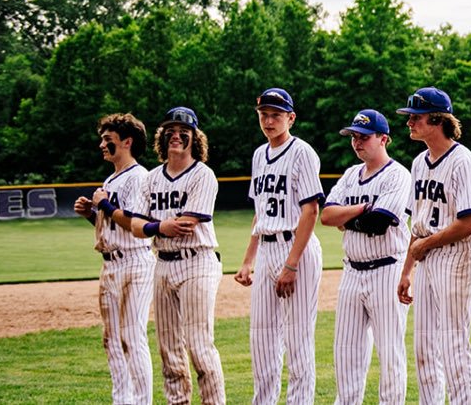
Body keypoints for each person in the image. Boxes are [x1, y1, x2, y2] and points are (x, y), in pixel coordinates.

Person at [124, 106, 224, 405]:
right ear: (162, 137)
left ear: (195, 138)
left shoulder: (202, 175)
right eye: (170, 131)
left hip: (197, 262)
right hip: (163, 264)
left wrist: (153, 226)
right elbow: (135, 225)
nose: (176, 136)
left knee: (199, 346)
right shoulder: (151, 178)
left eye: (183, 132)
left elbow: (186, 224)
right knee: (168, 349)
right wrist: (159, 226)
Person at [394, 87, 471, 405]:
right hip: (426, 256)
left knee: (453, 344)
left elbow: (469, 223)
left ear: (437, 120)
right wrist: (406, 271)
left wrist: (426, 245)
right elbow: (417, 223)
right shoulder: (419, 162)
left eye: (415, 117)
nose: (409, 122)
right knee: (424, 347)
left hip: (454, 256)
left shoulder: (463, 162)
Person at [234, 88, 325, 405]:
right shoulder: (259, 155)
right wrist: (248, 260)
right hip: (267, 248)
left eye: (276, 115)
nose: (269, 121)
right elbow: (260, 212)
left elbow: (311, 211)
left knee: (298, 338)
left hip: (295, 247)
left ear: (291, 118)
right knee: (261, 339)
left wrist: (291, 264)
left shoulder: (302, 152)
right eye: (264, 114)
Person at [320, 109, 414, 405]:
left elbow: (379, 222)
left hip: (387, 269)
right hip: (352, 271)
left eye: (364, 137)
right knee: (345, 352)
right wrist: (362, 209)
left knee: (390, 352)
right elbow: (327, 216)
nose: (357, 142)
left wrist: (346, 219)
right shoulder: (351, 175)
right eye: (354, 137)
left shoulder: (398, 175)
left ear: (383, 138)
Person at [77, 113, 154, 405]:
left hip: (135, 262)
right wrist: (92, 214)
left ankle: (142, 401)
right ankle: (122, 400)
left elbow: (134, 223)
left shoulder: (139, 177)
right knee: (111, 339)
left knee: (132, 336)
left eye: (107, 139)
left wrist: (104, 205)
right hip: (111, 263)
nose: (101, 145)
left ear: (127, 142)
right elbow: (111, 225)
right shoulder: (111, 179)